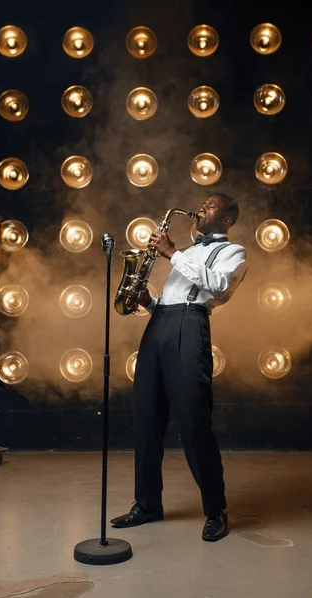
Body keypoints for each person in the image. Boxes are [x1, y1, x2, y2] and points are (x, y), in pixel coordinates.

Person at [111, 192, 247, 542]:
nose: (202, 207)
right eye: (203, 203)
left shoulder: (234, 253)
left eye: (211, 205)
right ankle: (147, 505)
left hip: (191, 326)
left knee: (193, 422)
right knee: (146, 419)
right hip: (159, 323)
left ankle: (216, 510)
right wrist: (147, 300)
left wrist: (171, 253)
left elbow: (216, 286)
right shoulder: (186, 253)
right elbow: (170, 298)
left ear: (227, 219)